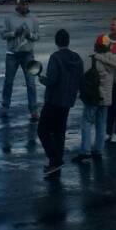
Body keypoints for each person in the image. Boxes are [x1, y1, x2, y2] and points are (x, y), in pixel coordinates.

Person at [73, 36, 116, 162]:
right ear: (109, 46)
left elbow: (83, 76)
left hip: (93, 96)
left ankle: (85, 151)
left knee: (86, 122)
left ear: (97, 46)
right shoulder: (115, 60)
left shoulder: (93, 60)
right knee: (101, 123)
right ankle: (98, 150)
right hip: (106, 97)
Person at [36, 28, 84, 177]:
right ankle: (57, 160)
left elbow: (52, 80)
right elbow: (80, 79)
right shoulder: (77, 58)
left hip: (54, 99)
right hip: (68, 100)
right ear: (68, 41)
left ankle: (54, 159)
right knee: (59, 131)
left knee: (43, 130)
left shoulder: (55, 57)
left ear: (56, 42)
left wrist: (42, 79)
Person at [1, 0, 41, 127]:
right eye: (22, 4)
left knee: (30, 83)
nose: (25, 6)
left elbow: (37, 36)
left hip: (28, 54)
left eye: (26, 4)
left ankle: (33, 110)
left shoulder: (33, 18)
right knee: (9, 81)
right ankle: (5, 106)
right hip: (12, 54)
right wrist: (14, 33)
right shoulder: (9, 18)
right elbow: (3, 34)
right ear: (17, 4)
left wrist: (30, 35)